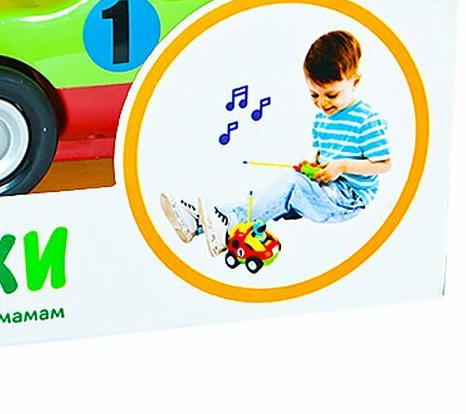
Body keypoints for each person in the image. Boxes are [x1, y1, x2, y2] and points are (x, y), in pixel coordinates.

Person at [161, 29, 392, 256]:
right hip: (326, 189)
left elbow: (384, 164)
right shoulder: (322, 119)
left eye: (331, 95)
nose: (322, 103)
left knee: (289, 185)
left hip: (348, 199)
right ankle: (198, 222)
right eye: (314, 95)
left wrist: (341, 166)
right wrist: (313, 165)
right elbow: (324, 155)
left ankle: (228, 228)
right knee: (263, 198)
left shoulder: (366, 120)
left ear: (355, 82)